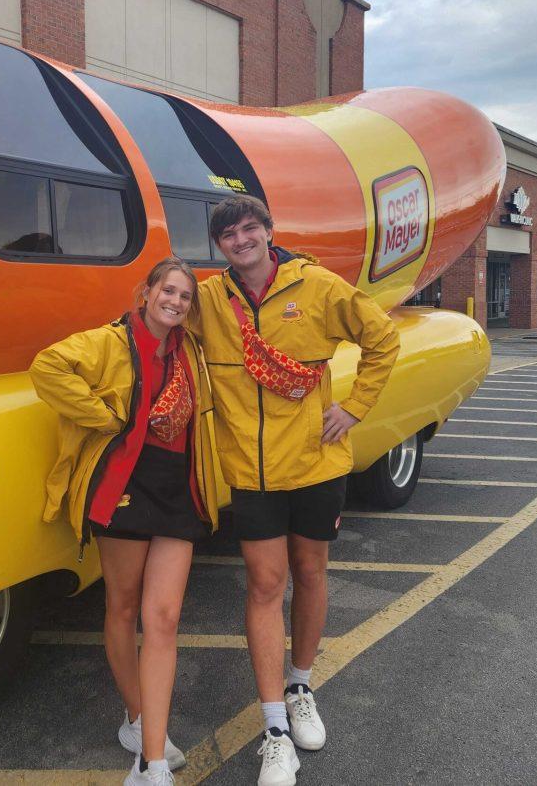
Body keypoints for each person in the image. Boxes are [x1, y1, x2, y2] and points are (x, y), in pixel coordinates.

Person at [191, 195, 399, 786]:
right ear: (219, 246)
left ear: (269, 232)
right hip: (252, 472)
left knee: (310, 572)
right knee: (263, 583)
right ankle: (275, 726)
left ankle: (301, 683)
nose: (241, 240)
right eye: (228, 234)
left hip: (315, 465)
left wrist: (354, 408)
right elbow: (155, 324)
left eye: (249, 229)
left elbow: (382, 340)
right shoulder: (208, 300)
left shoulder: (320, 287)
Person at [30, 256, 223, 786]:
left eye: (185, 296)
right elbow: (47, 367)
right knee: (122, 605)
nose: (176, 302)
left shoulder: (192, 352)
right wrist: (107, 417)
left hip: (178, 493)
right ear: (146, 292)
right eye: (169, 291)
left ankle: (151, 764)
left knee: (162, 619)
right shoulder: (110, 342)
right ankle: (136, 720)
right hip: (126, 490)